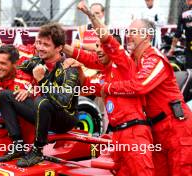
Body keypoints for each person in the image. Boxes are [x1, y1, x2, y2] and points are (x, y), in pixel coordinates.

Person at [62, 1, 154, 175]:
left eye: (101, 46)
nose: (98, 50)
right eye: (96, 46)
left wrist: (90, 14)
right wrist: (77, 66)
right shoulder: (103, 75)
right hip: (117, 136)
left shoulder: (125, 65)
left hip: (135, 134)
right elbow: (87, 86)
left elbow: (107, 42)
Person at [99, 15, 192, 176]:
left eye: (133, 31)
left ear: (147, 36)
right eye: (128, 31)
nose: (128, 35)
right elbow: (105, 56)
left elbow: (139, 86)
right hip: (155, 131)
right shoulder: (133, 61)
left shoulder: (155, 58)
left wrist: (108, 87)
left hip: (177, 129)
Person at [0, 23, 79, 167]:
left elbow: (64, 101)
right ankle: (18, 146)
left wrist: (42, 80)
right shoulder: (37, 60)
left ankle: (37, 151)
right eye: (39, 43)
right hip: (43, 113)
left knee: (42, 101)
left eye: (46, 45)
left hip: (65, 119)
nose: (40, 48)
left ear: (59, 48)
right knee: (5, 95)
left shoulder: (69, 67)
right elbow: (16, 66)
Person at [168, 0, 192, 69]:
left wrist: (172, 49)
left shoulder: (184, 15)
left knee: (190, 70)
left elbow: (178, 33)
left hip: (190, 47)